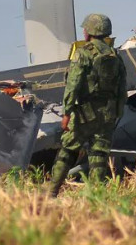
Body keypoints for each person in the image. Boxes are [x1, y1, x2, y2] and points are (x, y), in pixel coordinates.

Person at [48, 13, 127, 197]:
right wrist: (117, 112)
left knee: (67, 150)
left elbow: (73, 85)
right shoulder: (115, 55)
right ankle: (95, 196)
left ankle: (51, 193)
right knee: (99, 155)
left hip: (84, 114)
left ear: (89, 32)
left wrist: (67, 113)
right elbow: (122, 88)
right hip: (107, 114)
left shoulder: (83, 54)